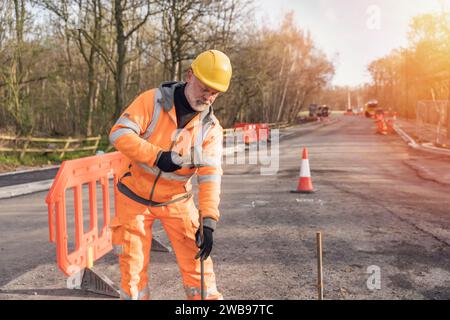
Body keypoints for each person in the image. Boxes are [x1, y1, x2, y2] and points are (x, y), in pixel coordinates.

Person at [108, 50, 232, 300]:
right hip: (133, 197)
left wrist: (208, 220)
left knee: (199, 268)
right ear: (189, 75)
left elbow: (210, 176)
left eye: (214, 93)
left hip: (176, 201)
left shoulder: (211, 130)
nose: (208, 97)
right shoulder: (151, 101)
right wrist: (157, 156)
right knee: (132, 273)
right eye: (204, 88)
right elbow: (119, 134)